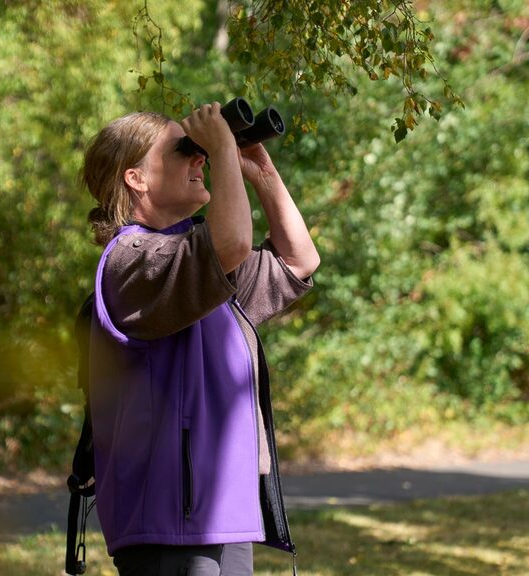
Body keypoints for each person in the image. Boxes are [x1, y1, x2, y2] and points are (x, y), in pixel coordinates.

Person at [81, 103, 320, 576]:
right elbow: (228, 244)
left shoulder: (199, 270)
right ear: (136, 179)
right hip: (169, 515)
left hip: (222, 510)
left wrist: (262, 172)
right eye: (184, 151)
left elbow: (298, 260)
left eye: (201, 152)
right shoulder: (131, 261)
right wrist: (224, 151)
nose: (200, 160)